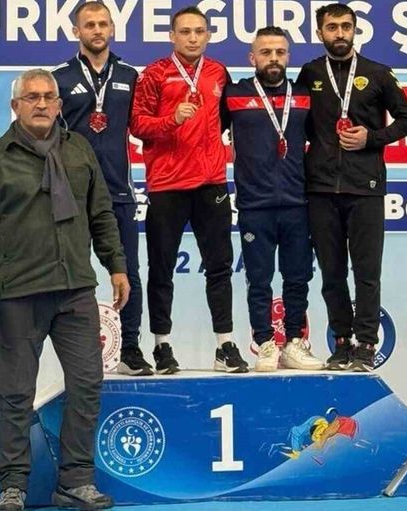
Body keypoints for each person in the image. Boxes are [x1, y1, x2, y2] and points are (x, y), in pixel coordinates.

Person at [0, 69, 127, 511]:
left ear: (59, 104)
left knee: (86, 385)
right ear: (15, 106)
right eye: (32, 97)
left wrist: (117, 266)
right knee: (15, 394)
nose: (42, 104)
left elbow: (101, 214)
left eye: (49, 96)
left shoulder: (80, 150)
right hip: (19, 294)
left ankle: (75, 482)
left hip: (75, 291)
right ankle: (13, 485)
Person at [297, 3, 407, 372]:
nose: (340, 33)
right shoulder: (310, 73)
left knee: (366, 272)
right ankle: (341, 342)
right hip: (320, 189)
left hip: (365, 187)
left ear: (354, 30)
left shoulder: (377, 73)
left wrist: (372, 138)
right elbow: (298, 122)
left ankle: (366, 344)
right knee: (331, 273)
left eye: (346, 26)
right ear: (320, 32)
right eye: (332, 27)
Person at [130, 6, 247, 374]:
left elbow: (224, 121)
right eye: (185, 31)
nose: (192, 38)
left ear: (208, 35)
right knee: (161, 268)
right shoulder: (154, 74)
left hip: (211, 183)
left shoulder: (218, 72)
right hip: (167, 185)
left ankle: (225, 344)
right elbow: (137, 124)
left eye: (199, 31)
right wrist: (171, 120)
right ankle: (161, 346)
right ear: (172, 36)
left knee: (220, 267)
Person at [53, 2, 152, 376]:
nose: (97, 30)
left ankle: (131, 349)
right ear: (76, 31)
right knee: (72, 276)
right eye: (89, 24)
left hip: (119, 192)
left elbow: (143, 126)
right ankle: (75, 355)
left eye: (103, 24)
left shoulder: (130, 75)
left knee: (128, 273)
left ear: (112, 29)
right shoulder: (59, 79)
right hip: (73, 195)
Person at [221, 27, 324, 372]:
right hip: (255, 205)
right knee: (259, 280)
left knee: (297, 278)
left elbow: (321, 142)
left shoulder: (305, 95)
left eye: (280, 52)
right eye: (265, 52)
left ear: (288, 56)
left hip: (297, 203)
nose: (273, 59)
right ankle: (265, 343)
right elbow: (207, 134)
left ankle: (294, 342)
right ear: (252, 58)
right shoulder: (234, 95)